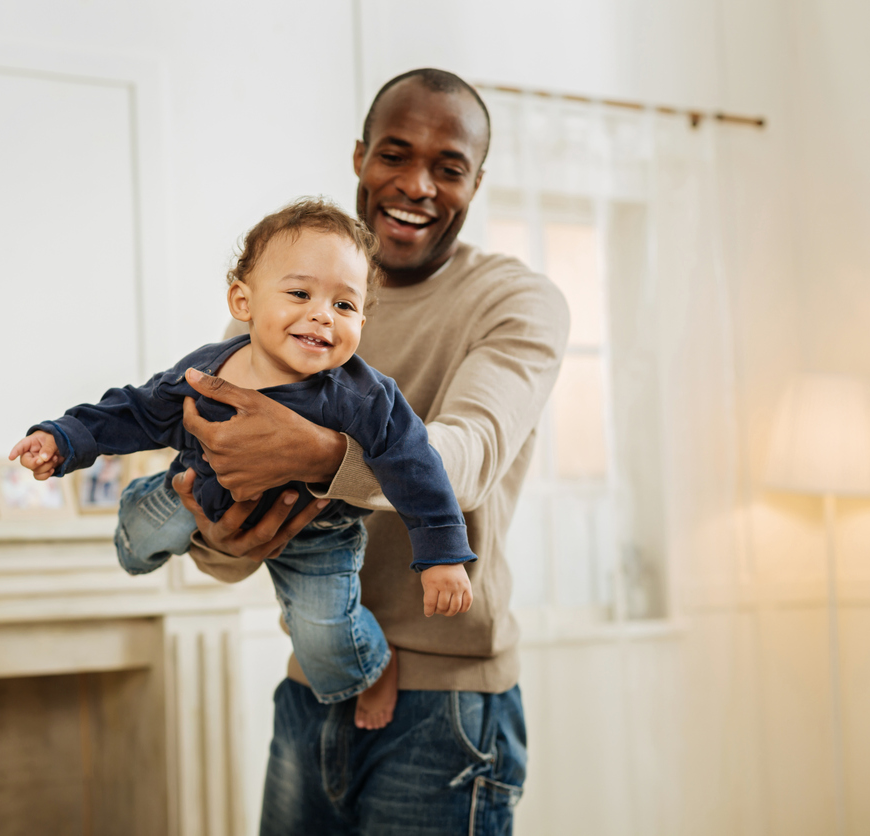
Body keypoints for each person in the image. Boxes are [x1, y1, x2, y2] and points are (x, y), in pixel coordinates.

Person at [163, 69, 570, 834]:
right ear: (359, 159)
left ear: (476, 183)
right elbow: (214, 493)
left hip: (444, 709)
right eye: (394, 154)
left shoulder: (517, 301)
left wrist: (315, 455)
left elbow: (470, 457)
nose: (416, 184)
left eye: (447, 168)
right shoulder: (288, 297)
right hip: (312, 687)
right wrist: (218, 537)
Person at [8, 198, 476, 731]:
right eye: (300, 294)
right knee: (136, 544)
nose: (323, 314)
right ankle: (148, 509)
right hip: (204, 491)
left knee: (325, 643)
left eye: (345, 306)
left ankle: (370, 666)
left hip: (318, 531)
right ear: (243, 300)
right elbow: (136, 409)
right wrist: (64, 437)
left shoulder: (361, 396)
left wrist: (441, 553)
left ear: (363, 320)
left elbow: (415, 463)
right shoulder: (208, 371)